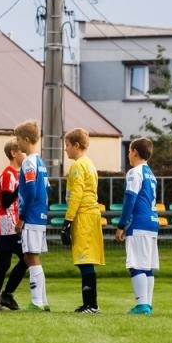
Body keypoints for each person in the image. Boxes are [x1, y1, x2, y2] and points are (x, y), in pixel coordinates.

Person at [116, 136, 159, 314]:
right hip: (152, 222)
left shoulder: (135, 172)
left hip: (139, 222)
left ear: (134, 152)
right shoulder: (150, 173)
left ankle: (142, 305)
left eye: (129, 151)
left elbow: (130, 198)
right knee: (146, 265)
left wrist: (121, 224)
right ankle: (147, 303)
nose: (128, 155)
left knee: (135, 264)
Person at [63, 128, 103, 313]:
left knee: (85, 259)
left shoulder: (78, 166)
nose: (66, 149)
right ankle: (88, 303)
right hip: (90, 214)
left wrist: (68, 221)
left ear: (76, 145)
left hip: (84, 215)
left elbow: (77, 194)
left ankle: (92, 305)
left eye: (68, 145)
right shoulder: (90, 164)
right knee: (84, 259)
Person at [15, 120, 52, 311]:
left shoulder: (29, 162)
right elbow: (47, 188)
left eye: (18, 139)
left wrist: (22, 216)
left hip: (32, 216)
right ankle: (43, 300)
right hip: (40, 215)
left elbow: (30, 191)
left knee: (31, 256)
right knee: (33, 256)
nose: (17, 143)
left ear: (27, 139)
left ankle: (37, 301)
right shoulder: (40, 161)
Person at [0, 140, 27, 309]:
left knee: (4, 264)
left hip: (9, 223)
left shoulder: (16, 174)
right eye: (22, 151)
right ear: (13, 153)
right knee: (26, 258)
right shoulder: (8, 174)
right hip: (6, 224)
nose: (25, 154)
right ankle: (5, 295)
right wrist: (21, 187)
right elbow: (5, 202)